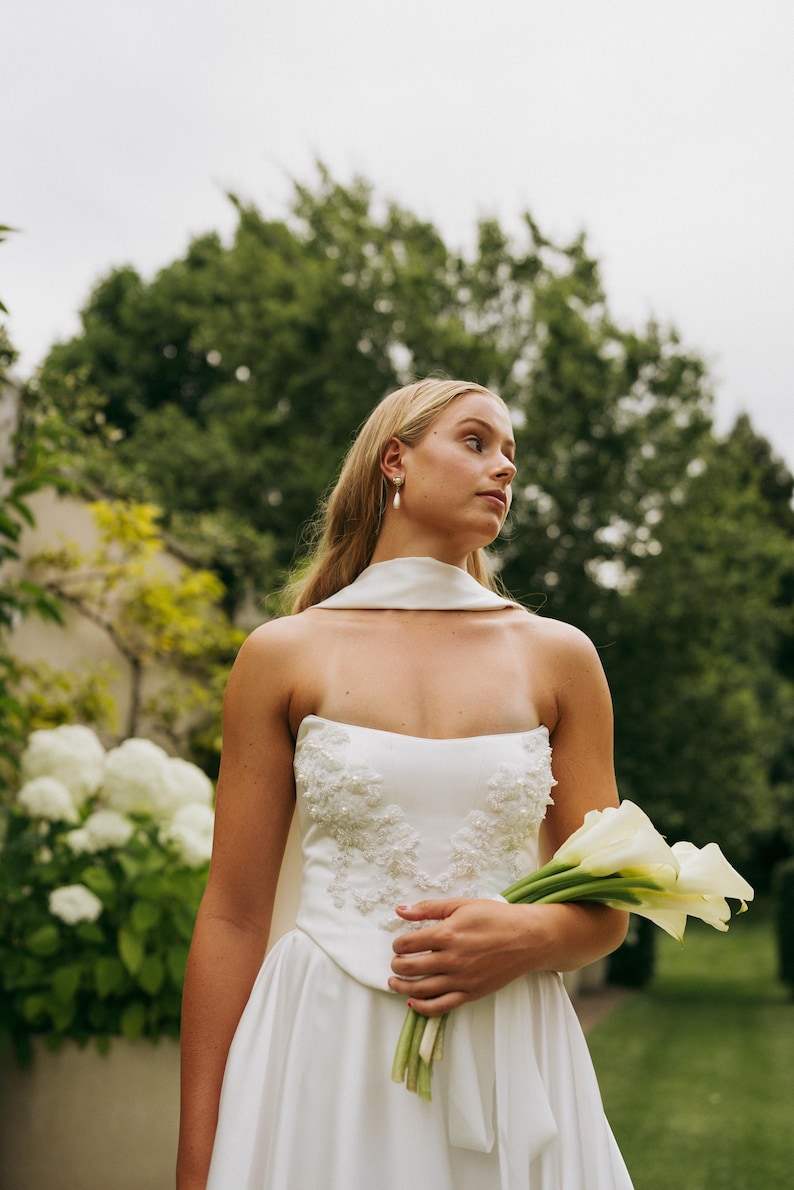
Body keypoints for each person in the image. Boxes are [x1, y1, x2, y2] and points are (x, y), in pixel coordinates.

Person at [177, 378, 634, 1189]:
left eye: (511, 456)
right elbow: (233, 916)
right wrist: (200, 1157)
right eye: (475, 441)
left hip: (510, 1051)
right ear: (396, 459)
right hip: (320, 1052)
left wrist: (525, 938)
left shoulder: (560, 657)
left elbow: (607, 912)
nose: (503, 470)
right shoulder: (283, 654)